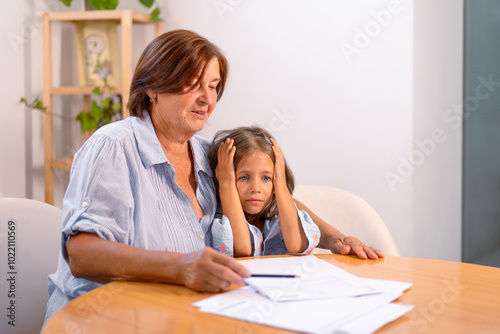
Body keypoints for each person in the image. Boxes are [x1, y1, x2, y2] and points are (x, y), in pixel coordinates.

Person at [44, 29, 383, 324]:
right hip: (103, 319)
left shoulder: (208, 153)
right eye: (193, 85)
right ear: (153, 89)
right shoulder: (114, 146)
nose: (207, 99)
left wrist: (335, 238)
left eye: (214, 86)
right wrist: (180, 266)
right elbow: (82, 254)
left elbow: (272, 201)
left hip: (181, 317)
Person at [208, 126, 320, 257]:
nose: (256, 188)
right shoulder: (220, 216)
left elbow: (296, 245)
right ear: (223, 177)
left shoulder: (278, 214)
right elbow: (243, 248)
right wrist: (226, 184)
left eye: (266, 178)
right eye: (244, 177)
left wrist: (280, 185)